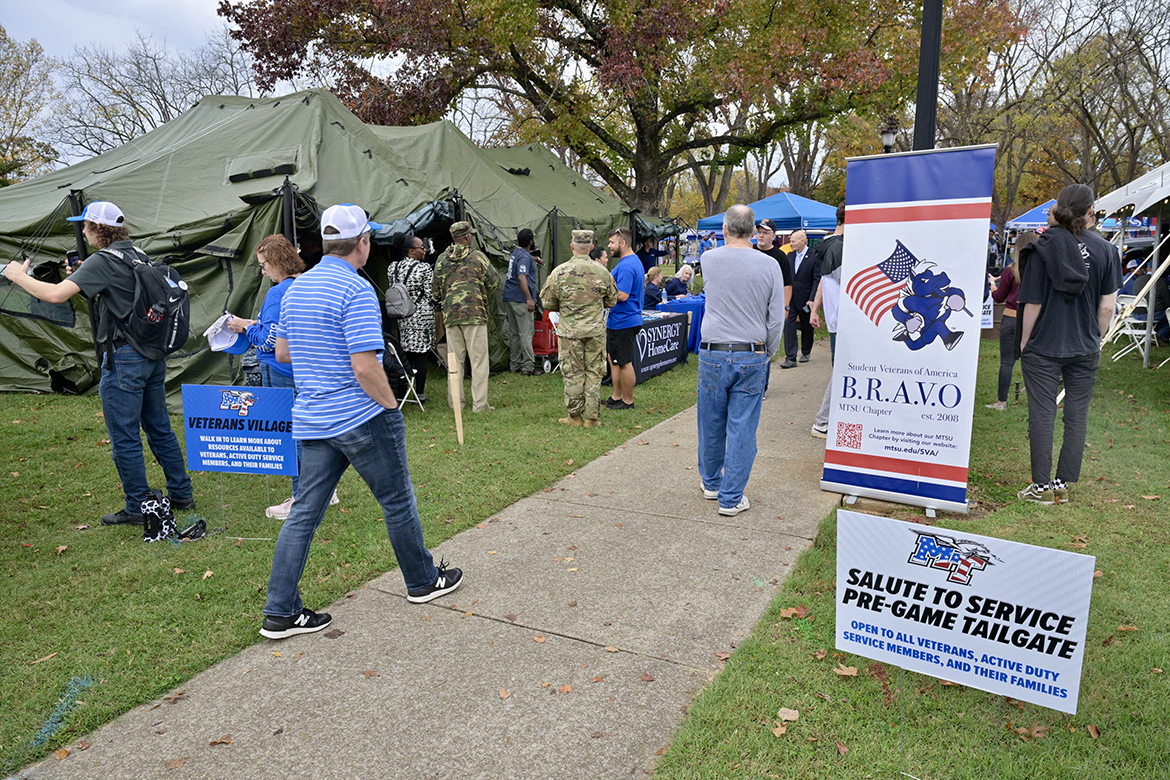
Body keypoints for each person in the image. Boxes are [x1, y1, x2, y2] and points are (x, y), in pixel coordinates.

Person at [260, 203, 463, 640]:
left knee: (304, 515)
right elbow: (365, 367)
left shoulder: (294, 289)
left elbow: (282, 354)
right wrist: (391, 407)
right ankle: (422, 581)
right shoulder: (355, 290)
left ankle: (279, 611)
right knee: (396, 501)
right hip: (360, 416)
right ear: (364, 243)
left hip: (314, 420)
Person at [3, 201, 195, 526]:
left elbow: (53, 296)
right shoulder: (137, 254)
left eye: (85, 226)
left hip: (123, 358)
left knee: (124, 435)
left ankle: (137, 505)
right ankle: (181, 493)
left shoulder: (103, 261)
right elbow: (120, 296)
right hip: (152, 354)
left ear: (95, 229)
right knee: (159, 428)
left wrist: (16, 276)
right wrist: (80, 275)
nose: (83, 231)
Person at [1017, 184, 1121, 505]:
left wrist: (1024, 342)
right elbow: (1107, 308)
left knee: (1043, 412)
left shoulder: (1041, 247)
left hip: (1044, 344)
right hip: (1085, 345)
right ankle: (1062, 482)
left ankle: (1041, 487)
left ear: (1059, 208)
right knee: (1077, 413)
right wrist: (1097, 337)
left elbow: (1031, 302)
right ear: (1091, 212)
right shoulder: (1107, 251)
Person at [225, 234, 341, 520]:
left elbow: (269, 341)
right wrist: (255, 324)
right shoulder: (309, 284)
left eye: (264, 264)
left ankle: (301, 498)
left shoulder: (277, 293)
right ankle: (326, 490)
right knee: (314, 433)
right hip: (307, 369)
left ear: (277, 262)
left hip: (281, 371)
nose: (263, 271)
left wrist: (244, 328)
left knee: (295, 437)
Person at [696, 204, 786, 516]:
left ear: (724, 229)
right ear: (752, 232)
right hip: (751, 351)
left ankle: (711, 483)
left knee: (710, 421)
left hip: (713, 351)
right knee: (742, 427)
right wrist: (769, 351)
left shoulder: (709, 259)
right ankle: (731, 496)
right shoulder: (769, 265)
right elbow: (776, 318)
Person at [540, 230, 618, 428]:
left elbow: (548, 302)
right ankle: (592, 418)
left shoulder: (560, 272)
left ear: (572, 246)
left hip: (569, 332)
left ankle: (574, 417)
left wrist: (567, 307)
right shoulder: (603, 272)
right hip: (595, 331)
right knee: (594, 372)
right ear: (592, 248)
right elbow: (612, 300)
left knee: (573, 372)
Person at [433, 221, 498, 413]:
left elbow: (435, 290)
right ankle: (480, 406)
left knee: (455, 361)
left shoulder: (442, 259)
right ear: (468, 237)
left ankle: (456, 404)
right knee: (478, 361)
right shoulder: (477, 257)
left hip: (451, 316)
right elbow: (494, 282)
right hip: (475, 315)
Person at [986, 231, 1035, 411]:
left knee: (1007, 362)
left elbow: (998, 297)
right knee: (1034, 362)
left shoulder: (1010, 270)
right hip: (1035, 320)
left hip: (1011, 318)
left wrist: (993, 284)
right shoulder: (1040, 271)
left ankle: (1002, 402)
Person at [809, 203, 846, 437]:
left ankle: (827, 420)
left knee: (840, 370)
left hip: (836, 321)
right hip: (843, 322)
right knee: (842, 371)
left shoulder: (828, 245)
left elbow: (825, 279)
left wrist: (815, 307)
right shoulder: (840, 247)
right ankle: (822, 422)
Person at [388, 235, 436, 403]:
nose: (425, 250)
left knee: (404, 354)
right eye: (421, 247)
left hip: (402, 314)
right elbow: (431, 294)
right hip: (421, 315)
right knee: (421, 355)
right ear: (411, 250)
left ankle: (402, 392)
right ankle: (420, 394)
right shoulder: (424, 269)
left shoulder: (393, 267)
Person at [604, 227, 644, 410]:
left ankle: (627, 401)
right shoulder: (628, 262)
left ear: (623, 243)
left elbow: (622, 295)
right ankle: (616, 396)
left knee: (624, 362)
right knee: (615, 360)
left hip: (624, 320)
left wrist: (601, 296)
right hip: (619, 320)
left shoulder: (627, 265)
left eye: (612, 242)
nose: (609, 246)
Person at [503, 228, 541, 375]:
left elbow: (524, 259)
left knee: (514, 334)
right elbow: (521, 277)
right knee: (525, 333)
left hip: (509, 297)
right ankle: (528, 367)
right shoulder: (524, 257)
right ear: (531, 242)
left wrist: (536, 259)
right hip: (520, 299)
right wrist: (529, 299)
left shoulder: (517, 252)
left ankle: (515, 364)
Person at [781, 229, 820, 368]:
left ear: (803, 241)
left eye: (793, 241)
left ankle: (806, 350)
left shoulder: (814, 256)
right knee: (789, 326)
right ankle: (790, 357)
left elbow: (817, 279)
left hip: (806, 299)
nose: (790, 243)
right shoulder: (790, 256)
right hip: (791, 298)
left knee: (806, 326)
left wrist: (813, 299)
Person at [754, 218, 793, 303]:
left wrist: (786, 306)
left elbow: (787, 284)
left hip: (771, 302)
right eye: (759, 232)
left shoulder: (780, 256)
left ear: (773, 236)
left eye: (765, 233)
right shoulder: (749, 250)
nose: (761, 235)